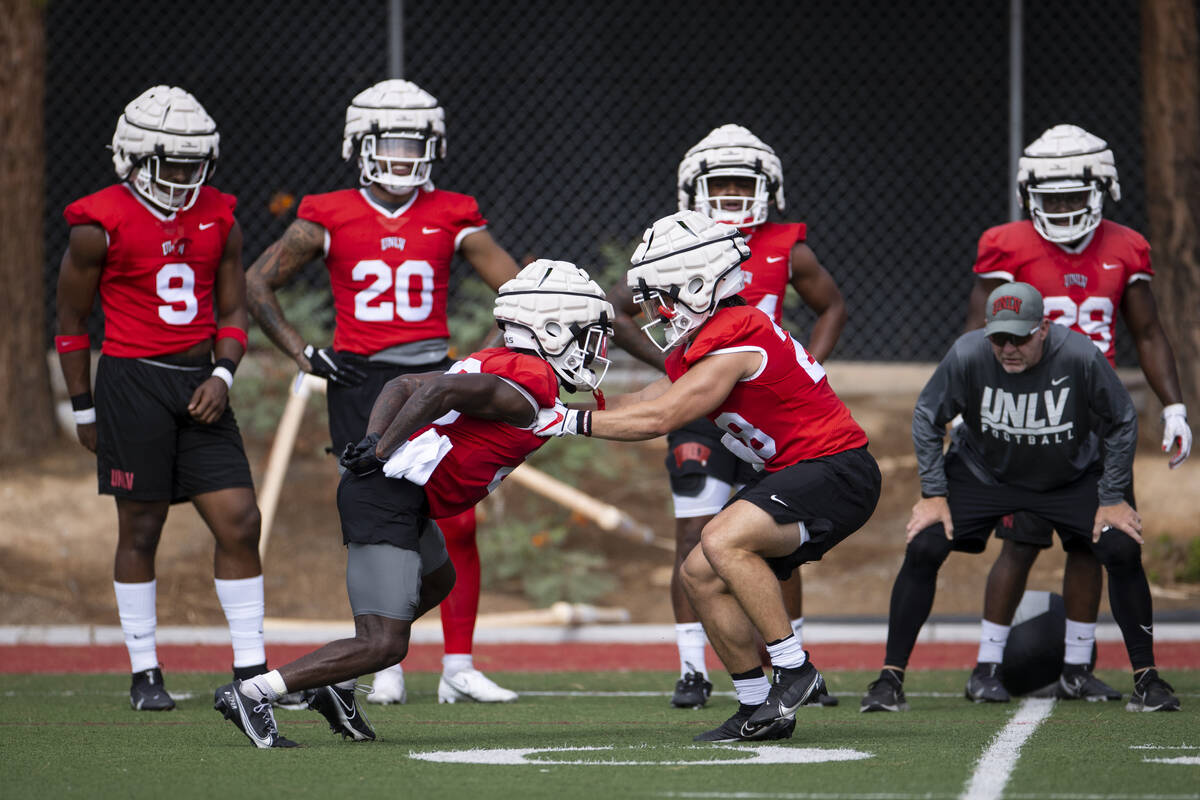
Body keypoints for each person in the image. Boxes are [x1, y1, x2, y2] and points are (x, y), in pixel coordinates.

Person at [213, 260, 613, 748]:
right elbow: (438, 389)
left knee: (440, 579)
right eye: (586, 333)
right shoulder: (529, 383)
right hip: (388, 498)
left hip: (403, 495)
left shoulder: (498, 361)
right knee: (383, 643)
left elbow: (401, 385)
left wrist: (376, 439)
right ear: (551, 330)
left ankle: (338, 684)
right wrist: (379, 448)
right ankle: (254, 692)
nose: (595, 347)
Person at [538, 211, 880, 742]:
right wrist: (562, 403)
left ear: (699, 284)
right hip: (800, 472)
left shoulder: (736, 337)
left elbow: (662, 419)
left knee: (721, 538)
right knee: (698, 570)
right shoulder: (713, 337)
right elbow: (650, 398)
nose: (656, 310)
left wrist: (566, 421)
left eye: (663, 296)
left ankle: (794, 668)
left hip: (835, 469)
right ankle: (756, 706)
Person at [245, 79, 521, 706]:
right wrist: (300, 350)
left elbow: (518, 291)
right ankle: (381, 657)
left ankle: (458, 663)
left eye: (413, 144)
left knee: (456, 519)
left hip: (432, 377)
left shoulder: (455, 211)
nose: (401, 157)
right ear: (360, 144)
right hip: (361, 382)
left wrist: (477, 358)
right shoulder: (327, 212)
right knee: (378, 528)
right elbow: (257, 284)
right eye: (388, 144)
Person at [607, 124, 846, 708]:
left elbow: (831, 304)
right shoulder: (678, 243)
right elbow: (621, 309)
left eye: (746, 184)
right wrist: (674, 369)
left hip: (760, 409)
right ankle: (699, 669)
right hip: (703, 409)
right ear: (695, 189)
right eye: (723, 185)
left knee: (762, 540)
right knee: (697, 537)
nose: (735, 196)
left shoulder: (783, 250)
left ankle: (789, 665)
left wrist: (807, 367)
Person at [860, 282, 1180, 714]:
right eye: (1000, 338)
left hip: (1070, 475)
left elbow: (1122, 419)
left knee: (1120, 546)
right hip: (985, 473)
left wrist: (1112, 496)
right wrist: (934, 494)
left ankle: (1147, 680)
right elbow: (926, 416)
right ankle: (889, 679)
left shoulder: (1080, 355)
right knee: (926, 543)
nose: (1009, 348)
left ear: (1043, 329)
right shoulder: (969, 354)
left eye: (1020, 337)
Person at [960, 124, 1191, 703]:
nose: (1061, 208)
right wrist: (969, 404)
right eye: (1050, 197)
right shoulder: (1005, 244)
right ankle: (986, 666)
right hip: (1029, 416)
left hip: (1097, 420)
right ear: (1029, 195)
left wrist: (1176, 407)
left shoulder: (1127, 245)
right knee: (1019, 541)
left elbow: (1149, 332)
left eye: (1073, 196)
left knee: (1097, 544)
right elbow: (975, 331)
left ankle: (1077, 666)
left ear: (1102, 189)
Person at [55, 86, 268, 711]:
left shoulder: (219, 216)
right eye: (170, 164)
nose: (182, 178)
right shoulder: (96, 225)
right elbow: (70, 322)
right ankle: (145, 672)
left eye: (193, 165)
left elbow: (232, 311)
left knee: (240, 521)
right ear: (132, 156)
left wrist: (223, 375)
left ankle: (251, 670)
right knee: (141, 526)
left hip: (200, 381)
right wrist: (84, 406)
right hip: (131, 383)